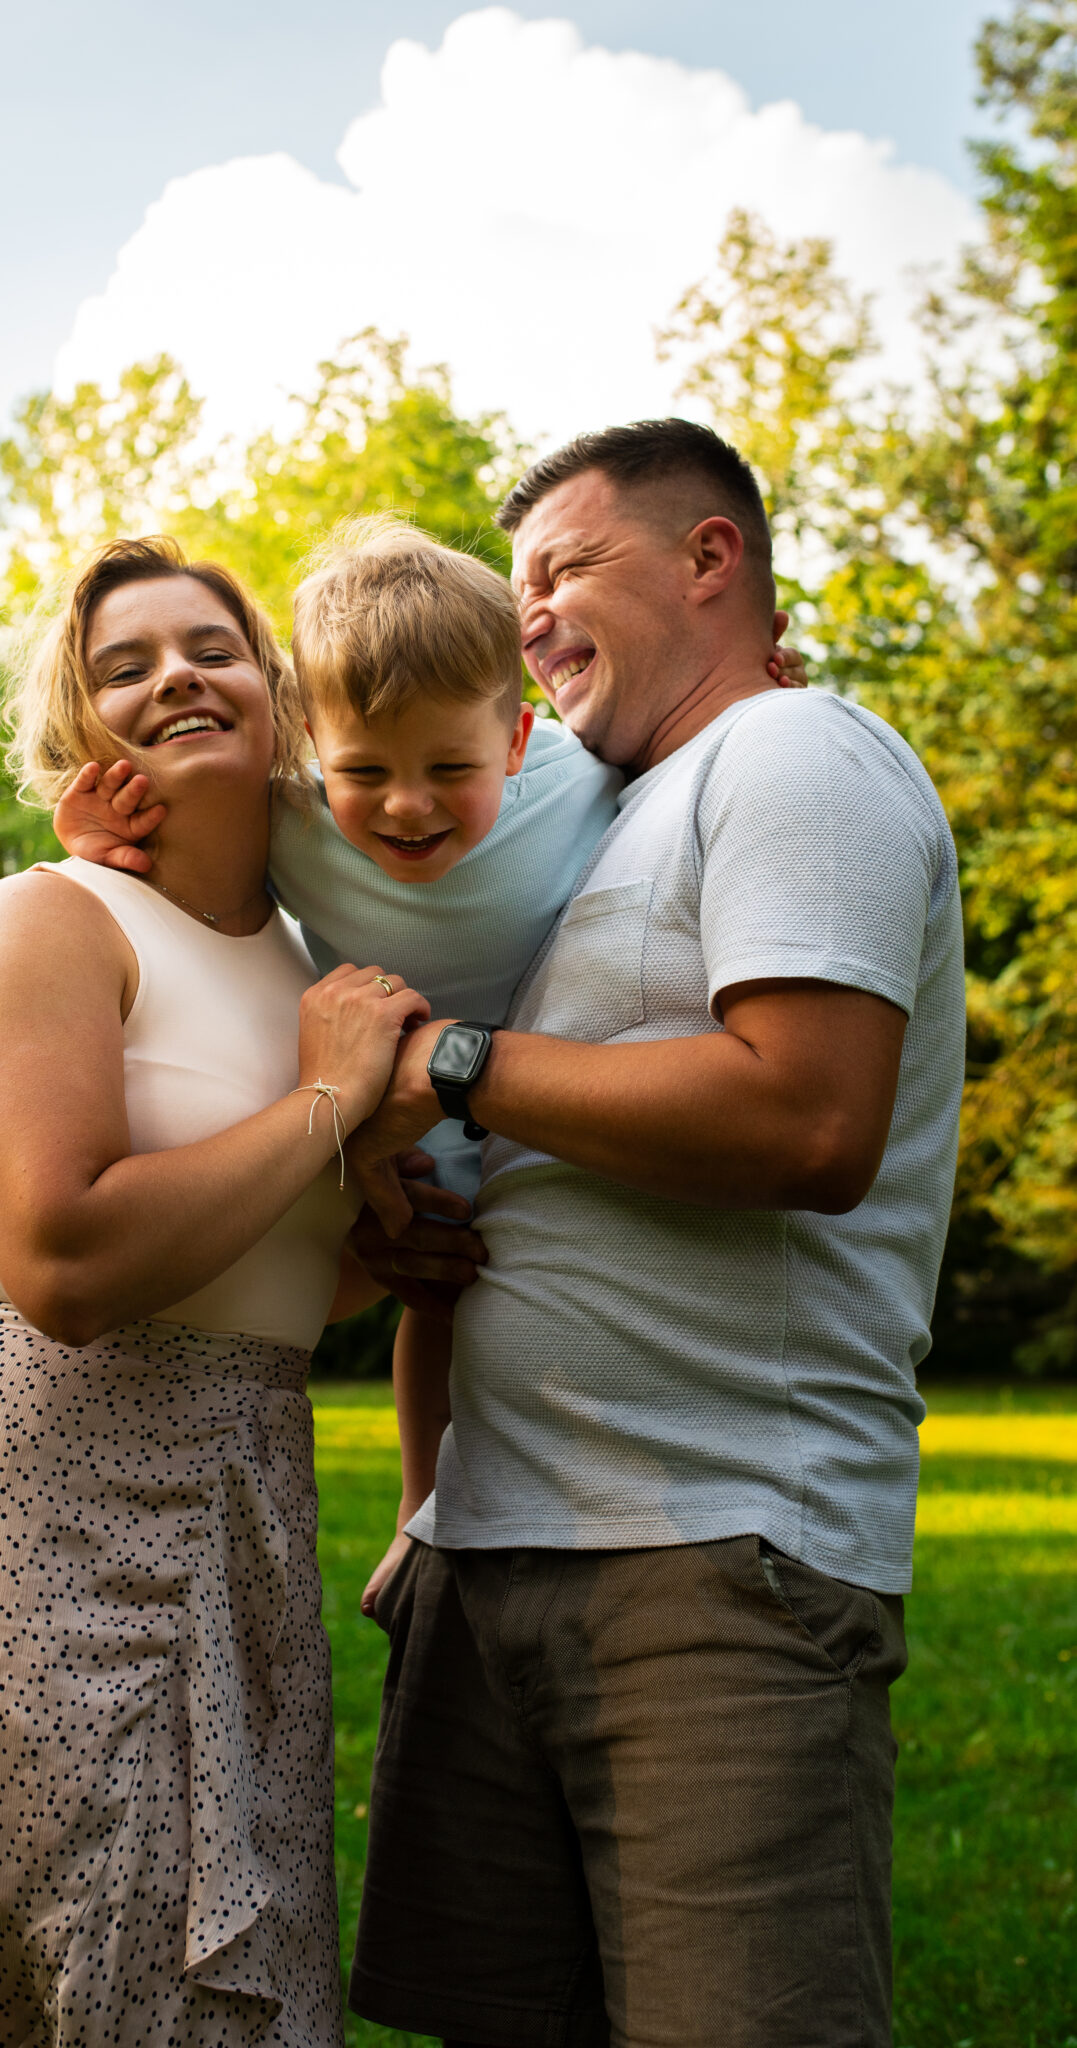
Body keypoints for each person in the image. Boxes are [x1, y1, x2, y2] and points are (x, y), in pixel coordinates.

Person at [0, 535, 430, 2048]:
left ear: (277, 694)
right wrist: (324, 1107)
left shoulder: (323, 960)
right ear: (84, 733)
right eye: (125, 667)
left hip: (241, 1492)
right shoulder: (45, 920)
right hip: (31, 1499)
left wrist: (384, 1243)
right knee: (68, 1962)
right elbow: (62, 1258)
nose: (176, 675)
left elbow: (268, 1284)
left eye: (211, 647)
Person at [340, 420, 967, 2048]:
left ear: (713, 559)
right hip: (488, 1557)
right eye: (517, 586)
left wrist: (459, 1064)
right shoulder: (586, 823)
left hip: (710, 1558)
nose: (528, 615)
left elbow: (808, 1117)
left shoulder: (796, 757)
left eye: (561, 568)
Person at [56, 517, 806, 1613]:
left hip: (556, 1085)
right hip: (401, 1109)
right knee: (435, 1295)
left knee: (540, 1293)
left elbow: (688, 745)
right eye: (367, 771)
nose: (407, 805)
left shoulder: (579, 779)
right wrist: (98, 825)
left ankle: (640, 1487)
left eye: (450, 768)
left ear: (514, 740)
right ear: (309, 742)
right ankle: (425, 1512)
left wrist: (760, 692)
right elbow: (184, 847)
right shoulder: (288, 814)